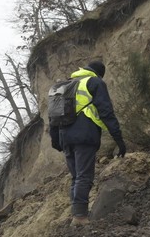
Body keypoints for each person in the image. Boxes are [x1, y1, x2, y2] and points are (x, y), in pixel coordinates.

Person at [49, 61, 126, 226]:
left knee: (76, 177)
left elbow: (53, 117)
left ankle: (76, 214)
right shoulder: (94, 82)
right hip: (84, 135)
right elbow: (106, 111)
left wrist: (56, 140)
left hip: (65, 138)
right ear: (99, 74)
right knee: (84, 177)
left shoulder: (64, 85)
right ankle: (80, 217)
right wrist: (118, 139)